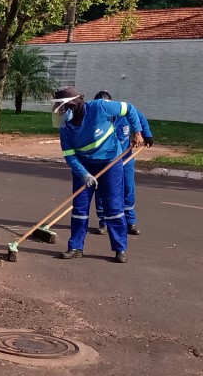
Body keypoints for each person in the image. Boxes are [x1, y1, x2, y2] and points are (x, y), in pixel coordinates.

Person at [51, 85, 144, 262]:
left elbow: (129, 109)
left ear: (74, 104)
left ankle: (119, 249)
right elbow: (70, 155)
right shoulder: (65, 126)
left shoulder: (100, 107)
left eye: (64, 108)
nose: (62, 113)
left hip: (110, 163)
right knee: (79, 209)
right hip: (84, 166)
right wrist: (84, 174)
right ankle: (76, 247)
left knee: (113, 207)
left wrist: (137, 132)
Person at [90, 89, 153, 237]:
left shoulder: (123, 114)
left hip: (125, 159)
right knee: (102, 191)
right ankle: (104, 222)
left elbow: (139, 117)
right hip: (104, 161)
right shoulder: (95, 119)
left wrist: (146, 135)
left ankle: (130, 222)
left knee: (127, 189)